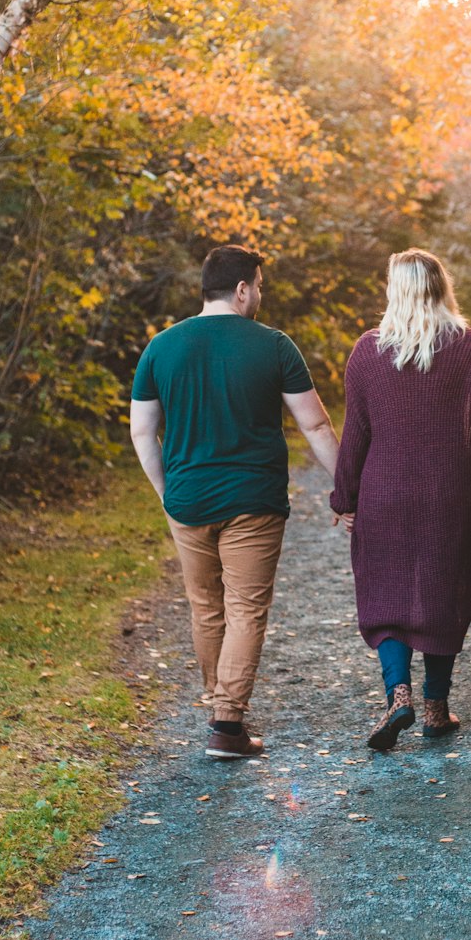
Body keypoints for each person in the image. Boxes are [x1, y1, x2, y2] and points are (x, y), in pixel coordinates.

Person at [130, 244, 340, 760]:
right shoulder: (274, 346)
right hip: (253, 501)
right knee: (246, 610)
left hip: (188, 501)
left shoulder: (161, 347)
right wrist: (347, 488)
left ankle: (221, 710)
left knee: (207, 608)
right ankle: (227, 725)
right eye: (260, 286)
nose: (260, 295)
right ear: (243, 288)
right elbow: (313, 423)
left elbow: (142, 431)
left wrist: (166, 493)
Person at [330, 248, 471, 751]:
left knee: (384, 594)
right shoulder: (469, 347)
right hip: (449, 501)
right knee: (445, 592)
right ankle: (436, 707)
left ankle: (399, 697)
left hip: (383, 498)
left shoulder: (367, 352)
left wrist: (343, 498)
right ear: (442, 289)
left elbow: (355, 437)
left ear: (395, 291)